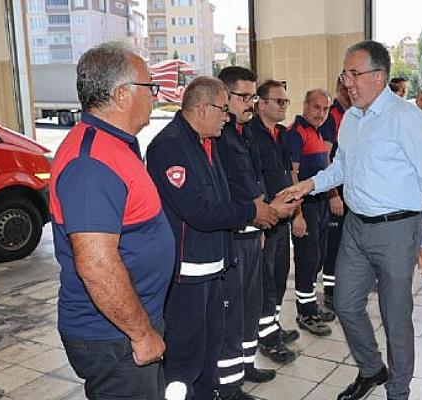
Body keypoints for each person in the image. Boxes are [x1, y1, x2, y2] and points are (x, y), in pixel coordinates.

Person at [280, 40, 422, 400]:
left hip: (398, 229)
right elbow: (342, 166)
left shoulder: (406, 119)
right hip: (356, 228)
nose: (347, 83)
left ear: (379, 76)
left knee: (395, 316)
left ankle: (398, 391)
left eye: (354, 74)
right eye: (345, 75)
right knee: (344, 303)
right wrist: (308, 185)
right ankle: (372, 368)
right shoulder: (351, 119)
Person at [145, 77, 290, 400]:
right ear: (201, 108)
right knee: (185, 358)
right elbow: (199, 211)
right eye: (223, 109)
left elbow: (221, 197)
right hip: (188, 273)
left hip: (214, 266)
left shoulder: (203, 142)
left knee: (211, 350)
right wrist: (250, 212)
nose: (227, 117)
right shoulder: (171, 147)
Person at [50, 41, 174, 400]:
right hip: (113, 336)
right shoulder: (90, 163)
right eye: (149, 86)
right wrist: (141, 334)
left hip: (126, 326)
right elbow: (96, 265)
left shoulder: (115, 144)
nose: (154, 95)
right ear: (121, 95)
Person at [213, 66, 296, 397]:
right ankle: (228, 385)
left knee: (250, 305)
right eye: (245, 97)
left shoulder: (244, 132)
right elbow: (227, 189)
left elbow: (255, 178)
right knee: (232, 312)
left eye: (252, 96)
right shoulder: (219, 136)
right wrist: (258, 215)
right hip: (235, 233)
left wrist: (260, 223)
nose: (251, 103)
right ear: (224, 96)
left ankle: (245, 365)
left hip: (253, 229)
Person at [247, 79, 300, 363]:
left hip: (282, 221)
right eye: (279, 101)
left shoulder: (280, 134)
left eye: (285, 101)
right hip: (265, 221)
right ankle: (266, 338)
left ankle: (273, 325)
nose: (283, 106)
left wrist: (297, 213)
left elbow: (288, 174)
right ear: (261, 104)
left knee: (279, 277)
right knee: (265, 282)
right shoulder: (250, 135)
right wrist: (260, 221)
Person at [284, 88, 335, 336]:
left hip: (321, 203)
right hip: (307, 207)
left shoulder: (316, 131)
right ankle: (305, 313)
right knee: (307, 259)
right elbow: (291, 175)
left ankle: (311, 304)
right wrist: (298, 214)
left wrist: (333, 196)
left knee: (318, 257)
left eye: (325, 109)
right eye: (316, 107)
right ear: (305, 105)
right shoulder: (296, 133)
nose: (321, 113)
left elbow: (325, 169)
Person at [318, 76, 352, 313]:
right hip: (335, 190)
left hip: (348, 190)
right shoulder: (333, 116)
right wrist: (333, 195)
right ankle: (330, 292)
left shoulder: (351, 114)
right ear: (340, 88)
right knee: (333, 243)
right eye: (347, 88)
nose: (351, 93)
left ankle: (339, 288)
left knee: (344, 243)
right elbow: (326, 158)